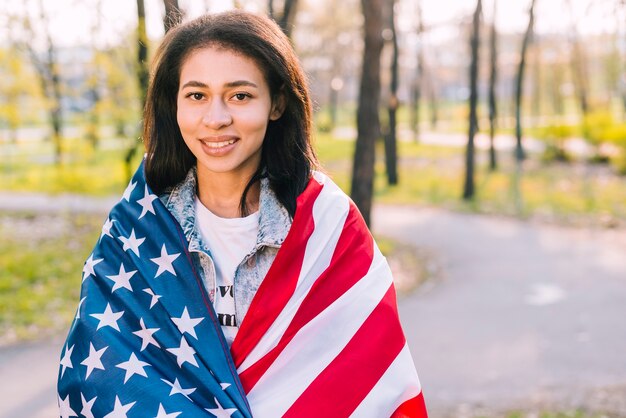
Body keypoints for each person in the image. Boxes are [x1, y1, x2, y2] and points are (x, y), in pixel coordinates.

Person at [57, 10, 427, 418]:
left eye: (240, 96)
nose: (216, 119)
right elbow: (98, 370)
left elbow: (371, 375)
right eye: (196, 96)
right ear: (173, 104)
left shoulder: (329, 225)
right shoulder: (137, 224)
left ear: (277, 103)